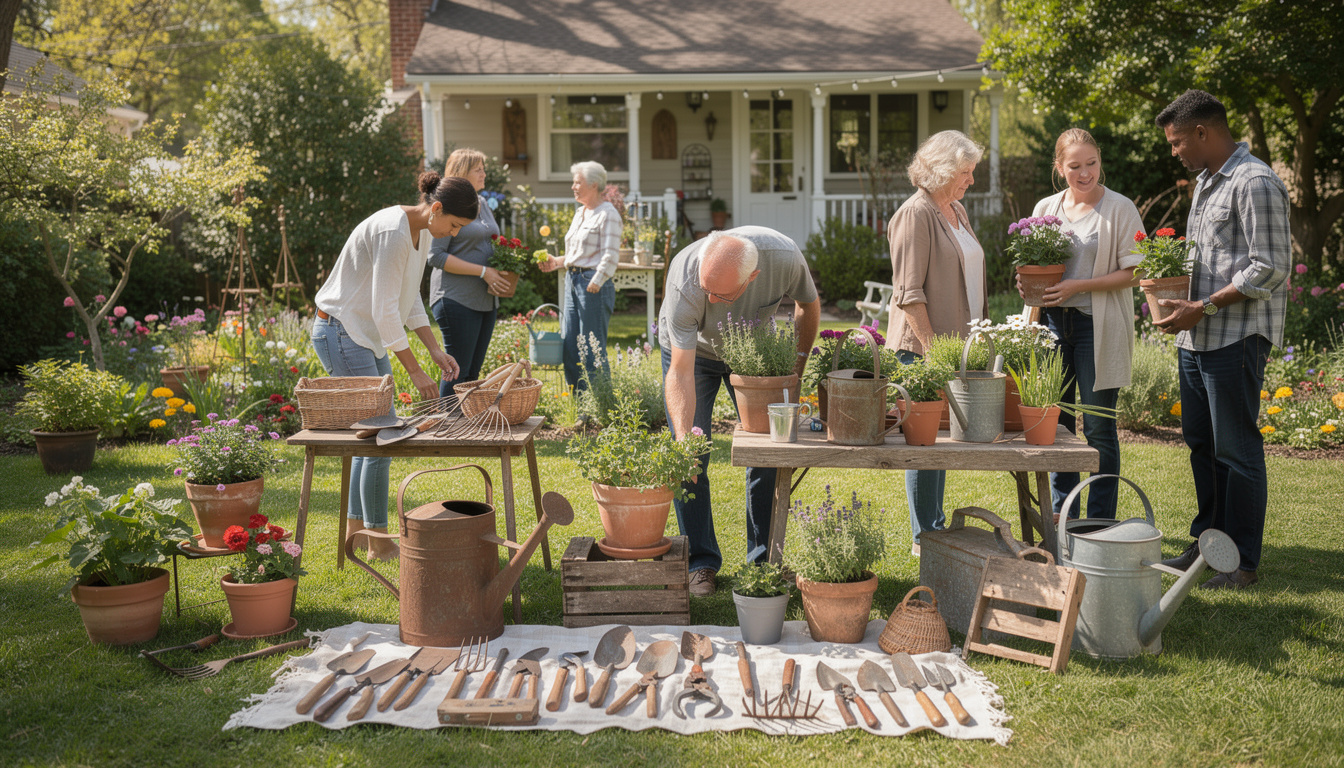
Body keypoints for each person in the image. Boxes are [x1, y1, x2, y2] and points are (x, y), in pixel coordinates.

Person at [1152, 89, 1291, 590]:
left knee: (1236, 450)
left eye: (1176, 143)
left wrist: (1205, 306)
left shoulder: (1254, 183)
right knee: (1203, 445)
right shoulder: (1207, 183)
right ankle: (1208, 544)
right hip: (1196, 340)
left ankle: (1243, 564)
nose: (1175, 152)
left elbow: (1271, 267)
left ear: (1203, 133)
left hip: (1234, 337)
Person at [311, 172, 474, 559]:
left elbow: (407, 300)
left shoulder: (420, 233)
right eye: (453, 224)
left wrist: (433, 350)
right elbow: (386, 312)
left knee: (373, 437)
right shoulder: (393, 233)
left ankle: (356, 535)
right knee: (383, 437)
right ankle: (380, 545)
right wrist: (415, 372)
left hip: (359, 333)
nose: (452, 234)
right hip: (342, 331)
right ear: (435, 208)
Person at [659, 227, 821, 595]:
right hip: (693, 357)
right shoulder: (686, 281)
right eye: (708, 290)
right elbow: (680, 370)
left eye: (722, 294)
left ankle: (763, 563)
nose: (711, 299)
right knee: (690, 456)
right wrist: (684, 437)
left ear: (753, 277)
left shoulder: (784, 257)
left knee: (767, 452)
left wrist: (796, 365)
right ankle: (700, 564)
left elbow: (808, 306)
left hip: (753, 353)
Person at [1025, 128, 1145, 521]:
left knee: (1098, 428)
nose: (1084, 173)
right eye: (1074, 166)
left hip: (1098, 325)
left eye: (1091, 163)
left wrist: (1081, 285)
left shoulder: (1120, 208)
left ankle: (1099, 519)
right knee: (1055, 426)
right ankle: (1064, 514)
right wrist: (1027, 282)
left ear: (1100, 162)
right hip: (1052, 327)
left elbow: (1135, 272)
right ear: (1059, 168)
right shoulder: (1047, 207)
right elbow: (1035, 266)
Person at [884, 130, 987, 554]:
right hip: (922, 351)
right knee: (926, 445)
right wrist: (933, 355)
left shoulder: (956, 210)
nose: (971, 180)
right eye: (965, 171)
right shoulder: (916, 214)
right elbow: (908, 294)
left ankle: (933, 527)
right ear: (943, 169)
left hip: (955, 346)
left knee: (941, 444)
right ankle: (924, 537)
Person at [427, 149, 511, 402]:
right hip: (455, 298)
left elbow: (490, 242)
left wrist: (506, 266)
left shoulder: (482, 203)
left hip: (485, 299)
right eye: (479, 169)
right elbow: (436, 256)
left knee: (473, 375)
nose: (484, 173)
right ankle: (444, 429)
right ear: (462, 172)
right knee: (457, 372)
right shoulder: (446, 206)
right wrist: (484, 271)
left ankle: (465, 433)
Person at [537, 161, 621, 391]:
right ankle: (579, 400)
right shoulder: (580, 213)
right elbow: (576, 255)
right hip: (572, 281)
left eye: (577, 182)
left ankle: (601, 401)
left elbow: (611, 255)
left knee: (592, 346)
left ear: (594, 184)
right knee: (571, 343)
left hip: (593, 285)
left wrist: (597, 279)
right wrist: (556, 262)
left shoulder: (608, 214)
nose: (573, 186)